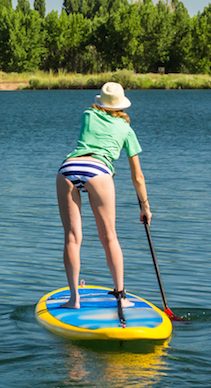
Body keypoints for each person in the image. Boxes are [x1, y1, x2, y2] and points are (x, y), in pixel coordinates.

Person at [55, 81, 152, 309]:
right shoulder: (127, 130)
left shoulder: (87, 114)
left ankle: (74, 299)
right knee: (109, 237)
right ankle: (121, 296)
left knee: (72, 237)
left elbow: (95, 112)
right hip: (98, 169)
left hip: (68, 167)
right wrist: (144, 207)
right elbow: (138, 177)